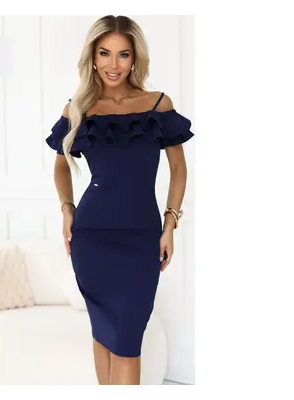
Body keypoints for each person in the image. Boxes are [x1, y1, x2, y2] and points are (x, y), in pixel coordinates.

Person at [45, 15, 194, 385]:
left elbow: (179, 169)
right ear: (92, 57)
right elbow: (61, 166)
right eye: (105, 53)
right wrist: (67, 208)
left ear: (134, 58)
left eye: (123, 54)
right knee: (104, 334)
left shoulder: (157, 105)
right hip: (92, 238)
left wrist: (170, 224)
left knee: (127, 340)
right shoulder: (78, 108)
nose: (114, 64)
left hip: (142, 239)